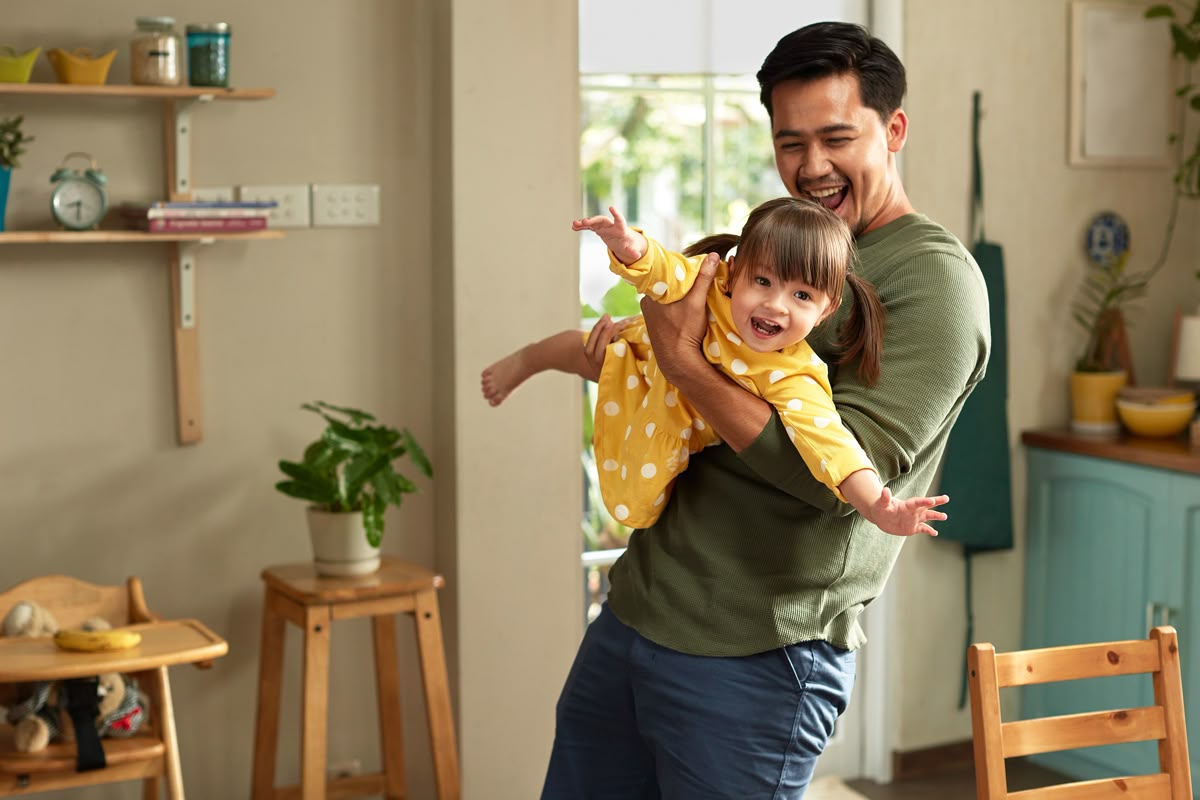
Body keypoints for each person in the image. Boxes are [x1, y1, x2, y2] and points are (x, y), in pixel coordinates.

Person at [539, 20, 992, 799]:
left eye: (836, 137)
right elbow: (685, 330)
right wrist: (645, 352)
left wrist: (682, 363)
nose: (811, 167)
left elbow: (839, 477)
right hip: (640, 611)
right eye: (791, 143)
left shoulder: (936, 284)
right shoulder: (786, 248)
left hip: (757, 651)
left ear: (894, 130)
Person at [482, 197, 949, 537]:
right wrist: (627, 243)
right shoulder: (712, 282)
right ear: (736, 270)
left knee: (639, 501)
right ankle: (529, 359)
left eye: (801, 295)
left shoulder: (795, 377)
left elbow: (835, 447)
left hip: (673, 411)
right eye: (762, 281)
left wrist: (879, 508)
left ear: (826, 310)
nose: (775, 305)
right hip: (641, 357)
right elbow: (661, 269)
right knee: (578, 349)